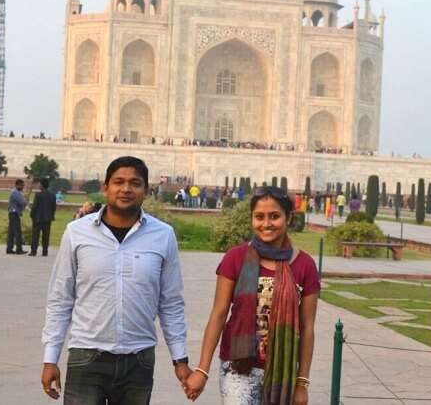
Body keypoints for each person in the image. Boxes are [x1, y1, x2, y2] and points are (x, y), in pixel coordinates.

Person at [41, 156, 190, 403]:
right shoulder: (78, 233)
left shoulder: (163, 236)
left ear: (146, 190)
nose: (126, 189)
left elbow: (171, 303)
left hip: (139, 360)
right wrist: (50, 357)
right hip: (87, 356)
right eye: (119, 181)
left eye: (135, 183)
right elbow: (61, 297)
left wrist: (180, 359)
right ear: (106, 187)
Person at [185, 186, 320, 404]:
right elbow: (219, 315)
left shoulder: (304, 265)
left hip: (282, 371)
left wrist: (302, 382)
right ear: (252, 219)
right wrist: (202, 369)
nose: (266, 224)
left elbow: (307, 327)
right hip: (237, 367)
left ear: (289, 218)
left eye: (274, 216)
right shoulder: (235, 258)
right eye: (259, 217)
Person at [29, 178, 57, 257]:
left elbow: (35, 207)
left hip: (38, 218)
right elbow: (54, 207)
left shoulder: (38, 195)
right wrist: (51, 215)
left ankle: (33, 251)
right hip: (48, 219)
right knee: (46, 235)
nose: (38, 185)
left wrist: (32, 215)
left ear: (42, 185)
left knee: (35, 235)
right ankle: (45, 251)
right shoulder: (52, 195)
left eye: (39, 184)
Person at [7, 179, 27, 254]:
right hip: (14, 214)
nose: (23, 187)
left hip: (13, 213)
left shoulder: (16, 192)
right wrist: (24, 199)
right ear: (17, 185)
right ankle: (19, 249)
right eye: (22, 185)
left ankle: (9, 249)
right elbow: (22, 202)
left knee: (11, 232)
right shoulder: (15, 192)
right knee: (17, 232)